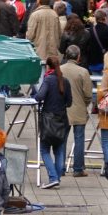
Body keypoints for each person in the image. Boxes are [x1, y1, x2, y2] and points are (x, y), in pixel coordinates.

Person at [35, 55, 72, 189]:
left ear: (48, 67)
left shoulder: (48, 80)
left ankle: (53, 177)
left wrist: (35, 94)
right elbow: (69, 102)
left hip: (48, 120)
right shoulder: (65, 81)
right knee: (59, 149)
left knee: (44, 149)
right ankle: (57, 177)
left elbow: (40, 97)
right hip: (62, 119)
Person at [61, 46, 94, 177]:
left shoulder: (60, 70)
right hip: (79, 109)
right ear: (78, 56)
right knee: (79, 139)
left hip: (63, 109)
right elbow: (88, 94)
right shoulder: (83, 72)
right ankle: (78, 168)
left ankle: (60, 168)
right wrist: (85, 104)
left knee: (62, 139)